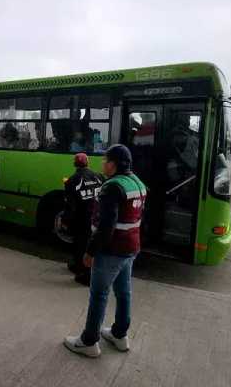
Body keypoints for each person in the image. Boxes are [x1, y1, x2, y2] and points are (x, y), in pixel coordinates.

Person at [64, 144, 146, 358]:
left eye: (105, 160)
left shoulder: (112, 187)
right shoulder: (137, 182)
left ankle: (89, 341)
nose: (102, 164)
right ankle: (120, 335)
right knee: (123, 292)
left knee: (99, 294)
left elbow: (106, 226)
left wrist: (90, 252)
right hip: (131, 247)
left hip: (111, 249)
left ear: (113, 164)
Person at [64, 153, 103, 286]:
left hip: (82, 218)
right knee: (91, 244)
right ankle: (77, 265)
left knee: (80, 244)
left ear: (75, 164)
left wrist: (66, 221)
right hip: (97, 217)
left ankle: (86, 275)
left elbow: (70, 206)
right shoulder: (98, 177)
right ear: (88, 162)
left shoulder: (72, 181)